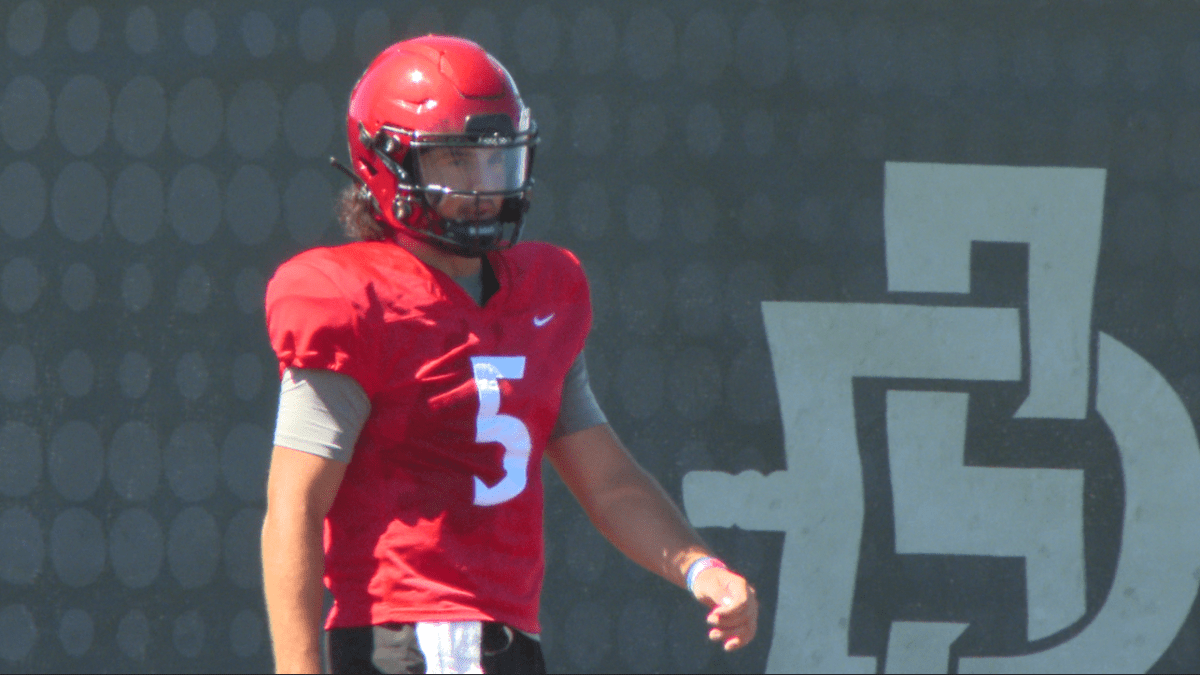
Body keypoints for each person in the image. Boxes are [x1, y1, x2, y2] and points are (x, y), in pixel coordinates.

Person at [260, 35, 757, 674]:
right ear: (386, 164)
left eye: (496, 162)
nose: (482, 186)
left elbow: (608, 481)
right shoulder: (353, 300)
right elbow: (295, 510)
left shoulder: (543, 293)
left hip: (505, 639)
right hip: (416, 637)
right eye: (456, 162)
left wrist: (700, 569)